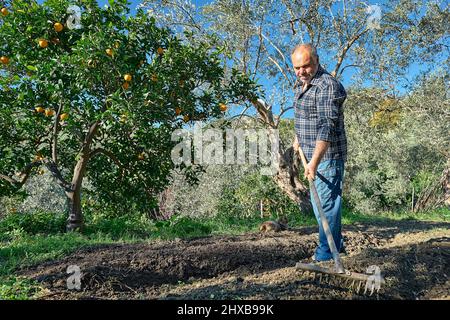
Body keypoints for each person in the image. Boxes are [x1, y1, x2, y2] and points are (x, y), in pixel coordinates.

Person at [291, 44, 347, 262]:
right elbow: (305, 115)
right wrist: (298, 138)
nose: (301, 71)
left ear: (317, 61)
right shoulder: (302, 84)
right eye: (297, 67)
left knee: (325, 206)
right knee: (322, 205)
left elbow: (327, 127)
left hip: (327, 157)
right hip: (311, 154)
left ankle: (325, 255)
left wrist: (314, 161)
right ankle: (336, 246)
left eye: (306, 66)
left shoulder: (328, 86)